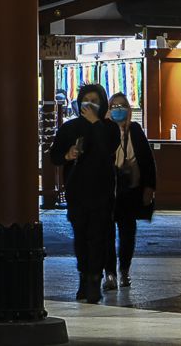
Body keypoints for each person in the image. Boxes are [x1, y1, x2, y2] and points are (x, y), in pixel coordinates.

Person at [48, 82, 118, 303]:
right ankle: (83, 278)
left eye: (95, 102)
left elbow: (108, 148)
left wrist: (95, 123)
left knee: (99, 236)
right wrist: (67, 155)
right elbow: (54, 155)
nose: (90, 105)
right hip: (77, 192)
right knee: (81, 237)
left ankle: (94, 281)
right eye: (86, 101)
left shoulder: (109, 127)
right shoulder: (69, 128)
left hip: (103, 192)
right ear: (79, 103)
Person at [106, 91, 156, 290]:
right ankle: (109, 273)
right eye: (114, 107)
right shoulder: (104, 130)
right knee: (106, 233)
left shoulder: (135, 130)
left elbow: (147, 160)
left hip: (130, 190)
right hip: (108, 190)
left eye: (122, 106)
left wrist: (149, 187)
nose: (118, 110)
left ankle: (124, 270)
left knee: (127, 233)